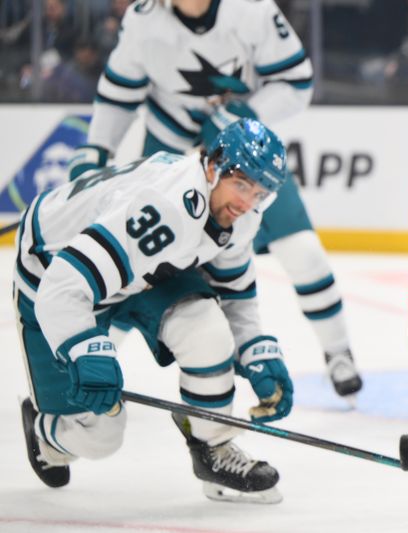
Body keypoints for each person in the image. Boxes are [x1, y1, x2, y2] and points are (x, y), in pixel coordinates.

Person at [67, 0, 362, 398]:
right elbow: (120, 92)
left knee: (304, 253)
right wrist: (97, 149)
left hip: (244, 158)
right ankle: (93, 363)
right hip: (169, 157)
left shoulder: (252, 10)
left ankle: (338, 351)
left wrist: (243, 116)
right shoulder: (143, 19)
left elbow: (297, 81)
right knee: (137, 268)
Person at [17, 118, 294, 504]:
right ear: (213, 167)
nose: (247, 202)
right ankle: (46, 434)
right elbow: (63, 288)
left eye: (260, 193)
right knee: (101, 437)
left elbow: (234, 292)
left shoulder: (238, 214)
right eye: (242, 184)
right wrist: (82, 347)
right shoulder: (167, 209)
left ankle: (211, 446)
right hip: (52, 271)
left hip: (139, 268)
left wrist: (256, 348)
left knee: (206, 331)